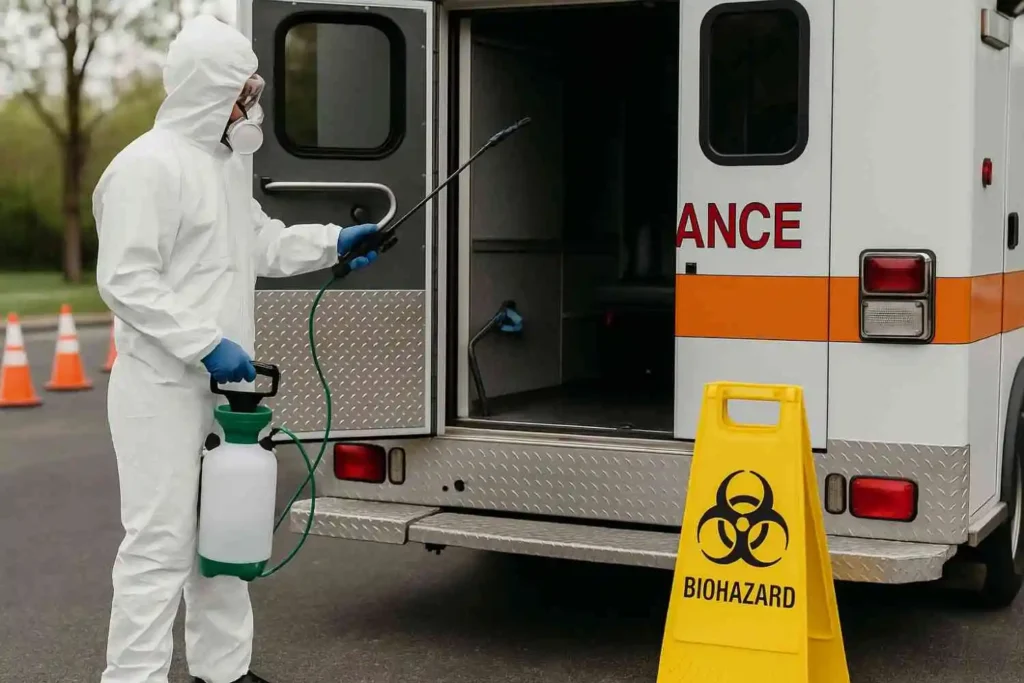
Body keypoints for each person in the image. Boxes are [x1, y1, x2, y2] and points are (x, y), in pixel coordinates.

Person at [92, 14, 380, 683]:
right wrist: (205, 343)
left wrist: (333, 241)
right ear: (206, 89)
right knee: (161, 543)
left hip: (224, 390)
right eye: (243, 91)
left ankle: (223, 671)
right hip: (161, 388)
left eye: (252, 90)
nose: (251, 104)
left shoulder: (224, 166)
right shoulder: (146, 167)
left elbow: (261, 243)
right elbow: (126, 279)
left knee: (225, 535)